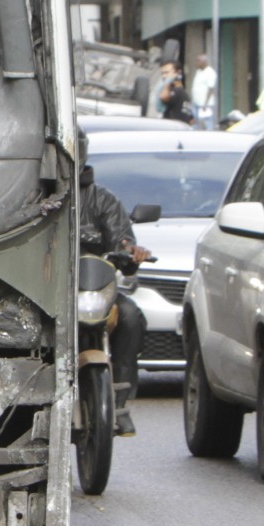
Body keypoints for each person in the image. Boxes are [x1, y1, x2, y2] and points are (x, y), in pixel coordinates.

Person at [79, 163, 151, 437]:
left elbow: (123, 243)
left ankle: (119, 403)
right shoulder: (33, 194)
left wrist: (132, 253)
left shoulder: (102, 199)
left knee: (130, 317)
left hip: (94, 290)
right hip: (43, 293)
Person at [189, 54, 218, 130]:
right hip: (196, 102)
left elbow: (211, 89)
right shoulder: (199, 71)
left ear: (204, 62)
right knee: (195, 122)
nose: (197, 63)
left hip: (205, 104)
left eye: (199, 61)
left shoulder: (210, 73)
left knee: (207, 122)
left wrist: (205, 104)